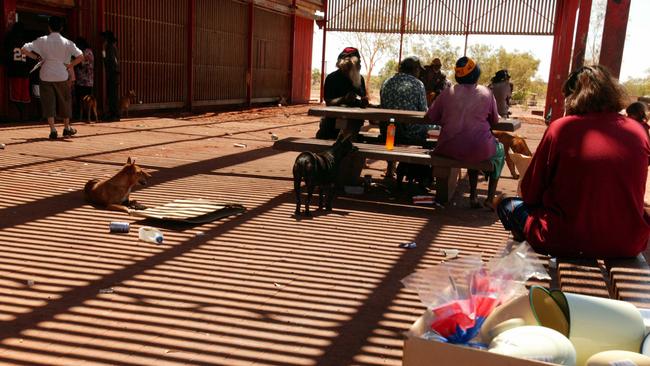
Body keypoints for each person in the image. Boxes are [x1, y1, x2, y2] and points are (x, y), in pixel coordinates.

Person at [496, 65, 650, 258]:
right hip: (628, 242)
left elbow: (530, 194)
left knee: (507, 205)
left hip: (564, 239)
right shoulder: (638, 131)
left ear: (572, 97)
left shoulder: (561, 128)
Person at [425, 56, 504, 208]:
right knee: (498, 151)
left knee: (470, 146)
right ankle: (488, 198)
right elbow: (495, 120)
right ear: (476, 74)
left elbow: (430, 116)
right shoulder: (487, 93)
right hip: (478, 149)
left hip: (447, 148)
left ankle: (473, 196)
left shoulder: (447, 92)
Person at [21, 16, 84, 139]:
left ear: (49, 27)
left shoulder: (42, 40)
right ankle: (66, 128)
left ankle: (53, 130)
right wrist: (70, 65)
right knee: (65, 101)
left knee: (48, 103)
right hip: (62, 75)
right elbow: (81, 56)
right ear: (61, 27)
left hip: (45, 75)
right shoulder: (67, 42)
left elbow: (24, 49)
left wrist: (36, 58)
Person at [316, 47, 368, 139]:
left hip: (353, 121)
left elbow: (362, 99)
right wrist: (343, 99)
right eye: (358, 63)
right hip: (332, 122)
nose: (360, 65)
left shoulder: (359, 79)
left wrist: (364, 101)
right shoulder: (332, 78)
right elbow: (328, 102)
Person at [4, 22, 32, 121]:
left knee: (15, 96)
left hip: (15, 71)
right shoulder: (26, 41)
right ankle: (25, 115)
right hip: (25, 72)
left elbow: (6, 55)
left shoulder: (10, 39)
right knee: (24, 96)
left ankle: (20, 115)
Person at [101, 30, 120, 122]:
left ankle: (114, 114)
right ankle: (114, 113)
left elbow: (108, 60)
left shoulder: (109, 48)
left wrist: (103, 51)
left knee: (112, 95)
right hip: (114, 73)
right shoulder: (113, 47)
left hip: (112, 73)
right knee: (113, 94)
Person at [74, 37, 94, 120]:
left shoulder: (86, 52)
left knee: (82, 100)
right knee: (86, 99)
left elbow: (82, 64)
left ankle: (83, 116)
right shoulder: (89, 51)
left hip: (83, 81)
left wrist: (73, 63)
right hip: (87, 81)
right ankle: (86, 116)